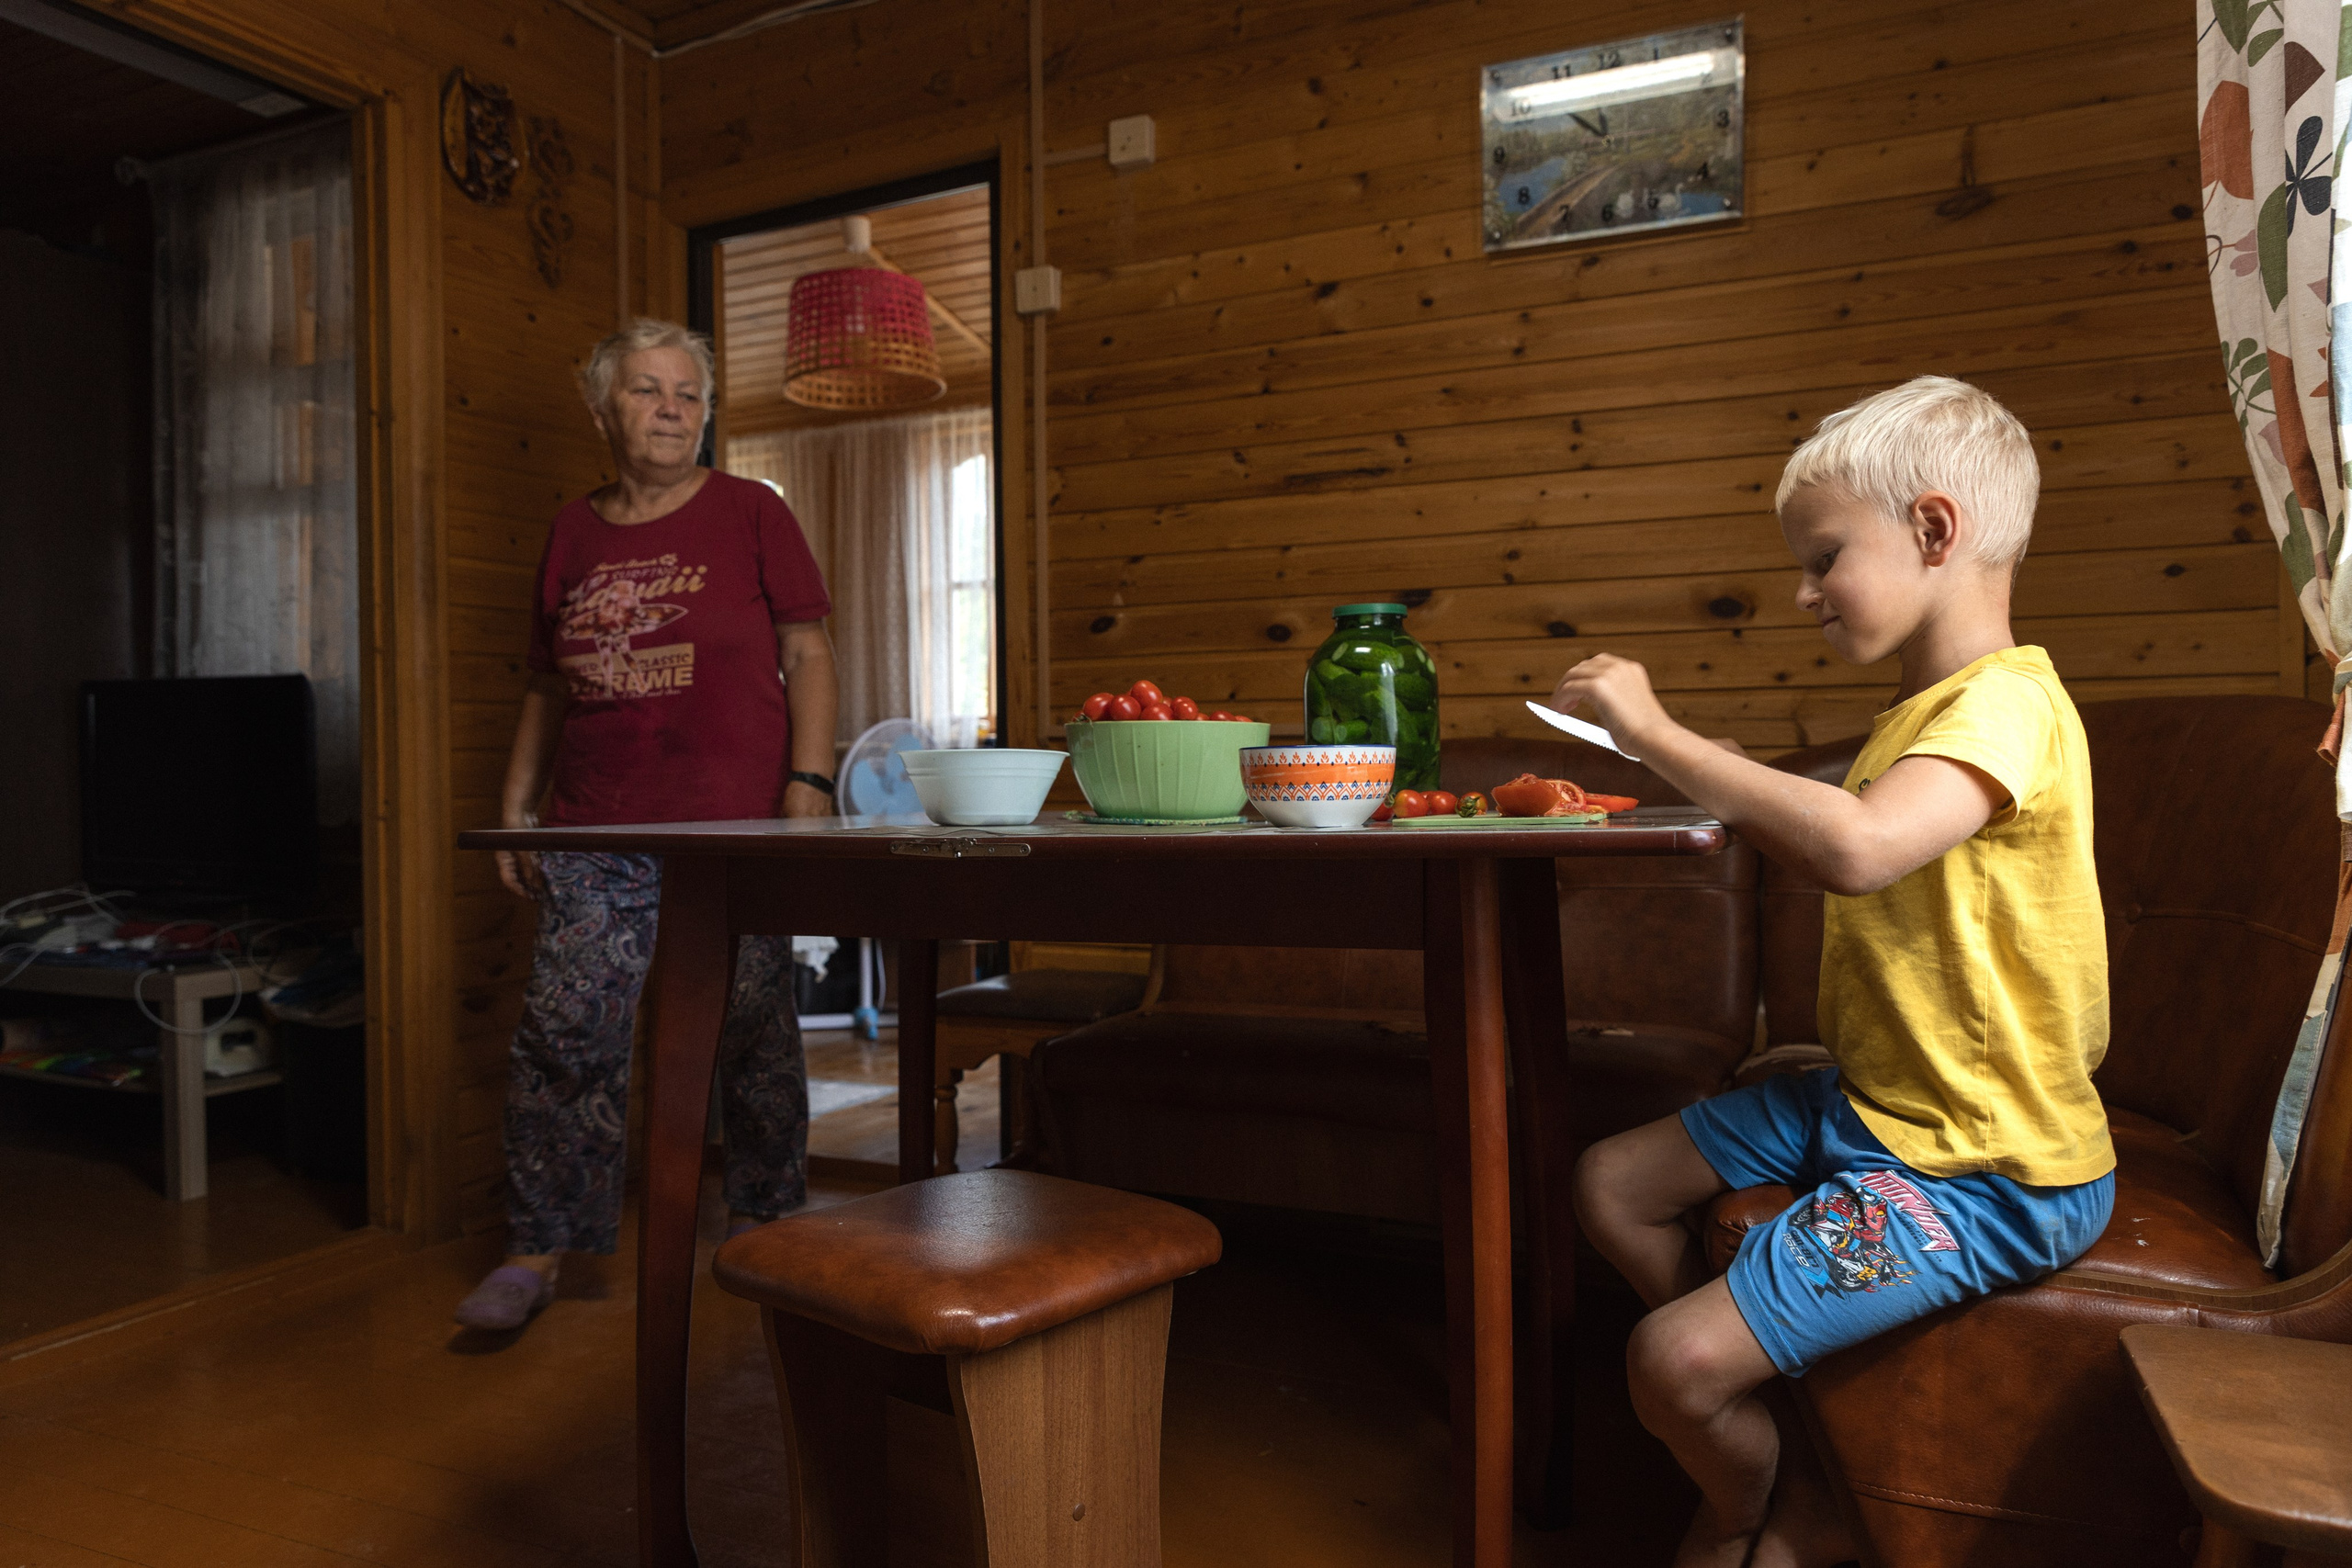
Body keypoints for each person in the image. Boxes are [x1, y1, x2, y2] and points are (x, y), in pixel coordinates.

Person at [1558, 376, 2113, 1567]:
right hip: (1878, 1102)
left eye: (1823, 557)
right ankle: (1784, 1411)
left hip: (1989, 1164)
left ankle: (1764, 1492)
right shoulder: (1916, 717)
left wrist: (1653, 732)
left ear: (1933, 529)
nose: (1805, 594)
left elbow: (1859, 849)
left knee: (1669, 1360)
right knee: (1612, 1179)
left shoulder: (2007, 705)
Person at [455, 319, 841, 1334]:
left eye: (685, 392)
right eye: (644, 390)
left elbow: (807, 652)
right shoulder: (571, 532)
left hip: (735, 822)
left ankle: (764, 1215)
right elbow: (546, 683)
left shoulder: (754, 512)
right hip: (595, 820)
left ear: (706, 410)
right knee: (565, 1032)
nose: (669, 408)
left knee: (753, 1026)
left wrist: (808, 778)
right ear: (602, 409)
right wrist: (515, 808)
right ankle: (539, 1247)